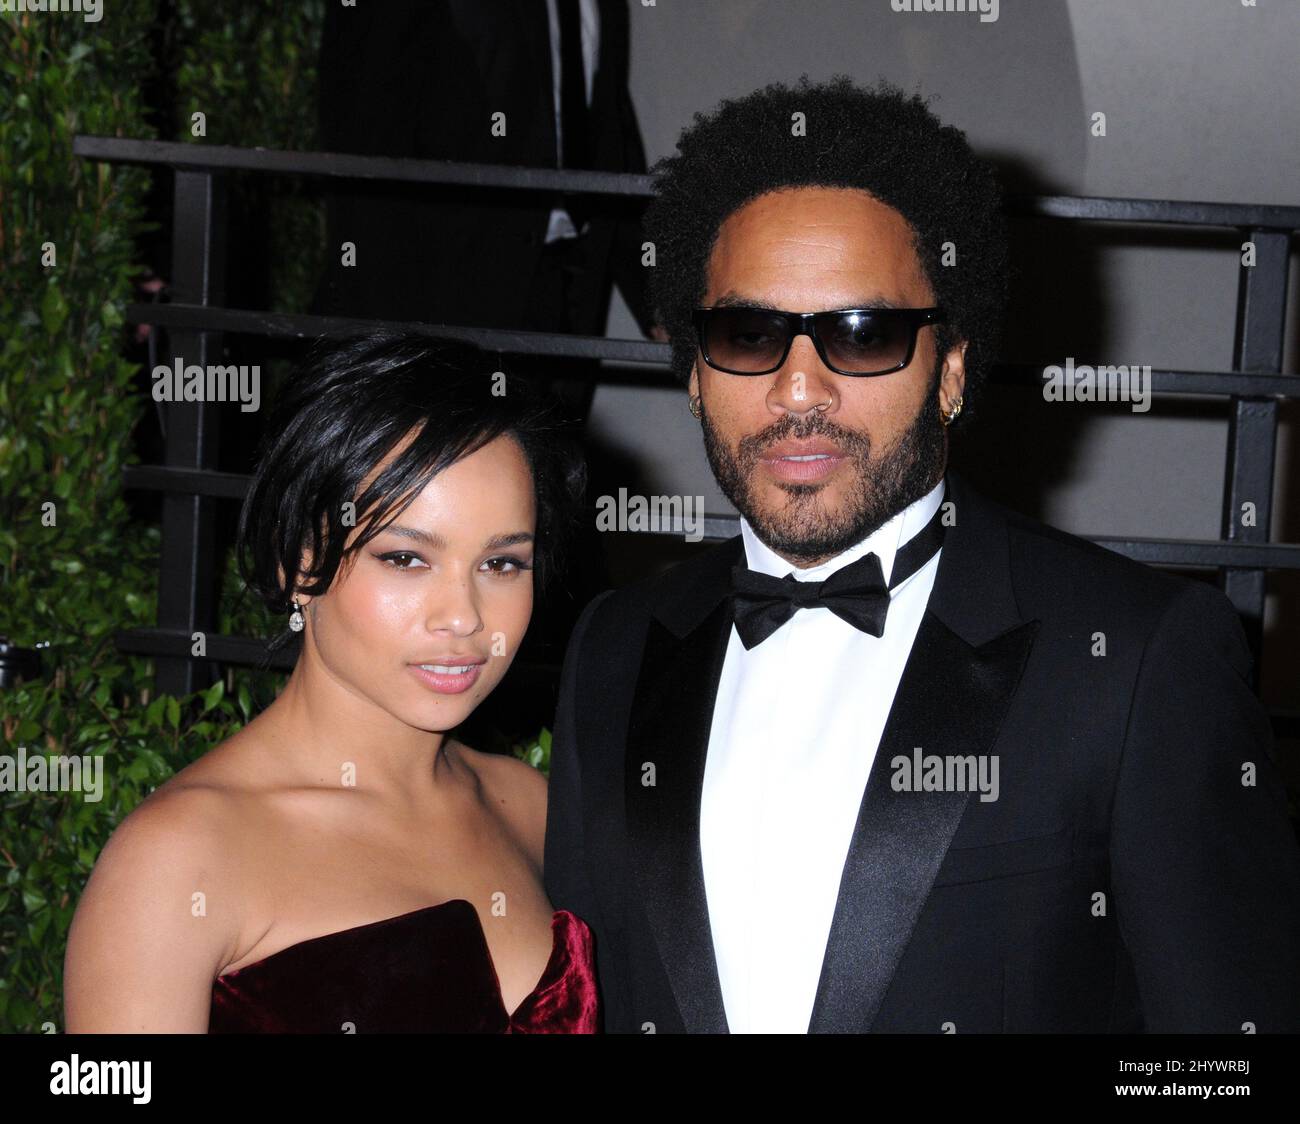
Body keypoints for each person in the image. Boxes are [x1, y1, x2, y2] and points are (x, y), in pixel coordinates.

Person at [543, 75, 1300, 1033]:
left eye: (863, 335)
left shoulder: (1139, 659)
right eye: (748, 333)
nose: (798, 389)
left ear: (949, 372)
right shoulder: (612, 648)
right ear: (694, 375)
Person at [64, 334, 598, 1033]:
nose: (465, 617)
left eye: (502, 565)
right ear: (296, 562)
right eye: (406, 558)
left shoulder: (532, 809)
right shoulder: (178, 858)